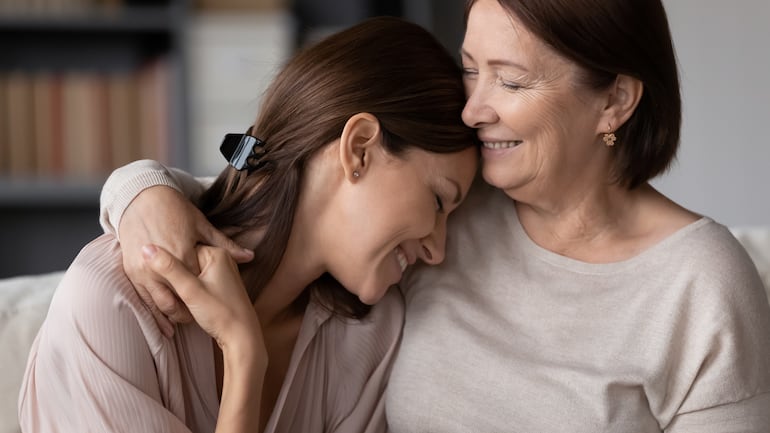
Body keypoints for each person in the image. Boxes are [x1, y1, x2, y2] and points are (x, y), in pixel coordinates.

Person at [95, 0, 770, 431]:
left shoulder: (701, 282)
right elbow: (277, 186)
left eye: (509, 81)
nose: (473, 108)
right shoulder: (448, 210)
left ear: (615, 100)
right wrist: (139, 190)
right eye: (471, 70)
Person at [17, 16, 479, 433]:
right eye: (438, 201)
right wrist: (244, 360)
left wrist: (138, 184)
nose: (438, 249)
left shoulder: (368, 338)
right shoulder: (114, 303)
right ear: (359, 149)